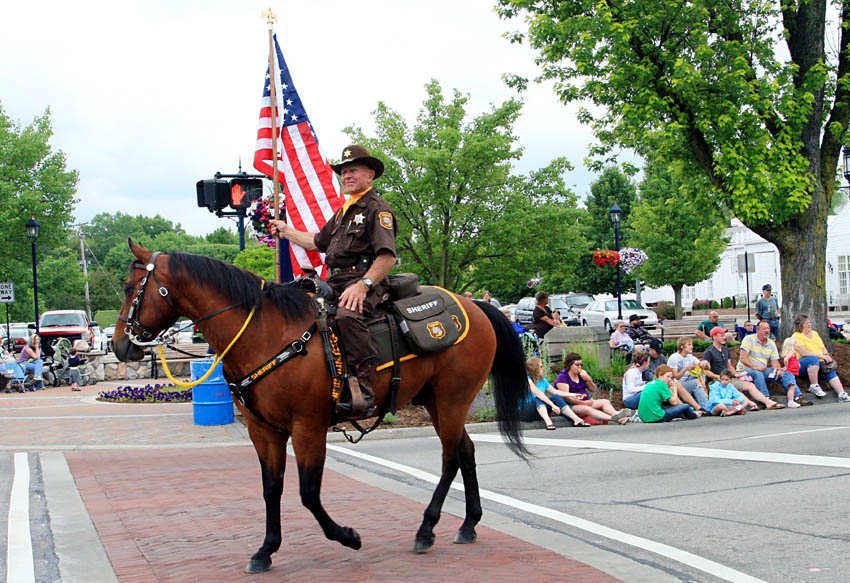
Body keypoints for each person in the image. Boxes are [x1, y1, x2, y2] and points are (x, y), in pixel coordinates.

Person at [269, 144, 397, 418]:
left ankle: (364, 388)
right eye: (343, 171)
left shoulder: (378, 209)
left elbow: (386, 258)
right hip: (335, 281)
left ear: (370, 175)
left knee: (347, 316)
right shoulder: (343, 213)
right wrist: (286, 231)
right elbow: (316, 242)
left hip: (364, 281)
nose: (347, 175)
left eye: (353, 170)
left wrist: (364, 285)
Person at [701, 326, 785, 409]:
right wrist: (718, 377)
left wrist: (737, 374)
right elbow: (706, 371)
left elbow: (729, 366)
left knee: (750, 385)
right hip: (718, 381)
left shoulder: (725, 349)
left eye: (724, 335)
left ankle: (767, 401)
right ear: (714, 337)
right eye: (721, 335)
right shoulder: (709, 352)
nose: (724, 337)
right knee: (734, 388)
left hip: (729, 378)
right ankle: (754, 404)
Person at [737, 320, 809, 408]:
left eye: (768, 328)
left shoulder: (771, 343)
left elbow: (775, 362)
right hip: (745, 371)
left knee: (785, 373)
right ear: (758, 330)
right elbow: (743, 358)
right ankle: (767, 399)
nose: (767, 331)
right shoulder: (749, 339)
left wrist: (778, 370)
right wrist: (755, 367)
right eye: (764, 329)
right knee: (757, 373)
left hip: (763, 370)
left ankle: (797, 397)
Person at [552, 353, 633, 425]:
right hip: (571, 405)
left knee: (605, 402)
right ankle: (614, 418)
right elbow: (566, 397)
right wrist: (583, 403)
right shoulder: (563, 377)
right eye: (577, 365)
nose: (580, 367)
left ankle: (616, 414)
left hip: (585, 401)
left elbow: (593, 389)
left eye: (581, 364)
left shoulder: (581, 375)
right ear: (570, 365)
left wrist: (588, 379)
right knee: (586, 409)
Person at [791, 314, 848, 401]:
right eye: (807, 323)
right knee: (812, 359)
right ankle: (814, 385)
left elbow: (822, 347)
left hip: (818, 364)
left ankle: (841, 394)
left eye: (810, 322)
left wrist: (826, 355)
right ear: (801, 324)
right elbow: (804, 352)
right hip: (802, 364)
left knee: (830, 372)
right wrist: (821, 356)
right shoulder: (796, 336)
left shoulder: (815, 334)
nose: (809, 324)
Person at [521, 357, 589, 429]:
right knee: (538, 398)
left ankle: (576, 419)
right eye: (541, 366)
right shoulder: (527, 380)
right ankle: (548, 422)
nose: (543, 368)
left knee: (556, 397)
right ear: (534, 368)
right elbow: (539, 394)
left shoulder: (543, 380)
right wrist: (552, 405)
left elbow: (555, 391)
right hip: (524, 412)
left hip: (539, 410)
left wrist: (573, 394)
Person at [667, 336, 711, 413]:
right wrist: (685, 369)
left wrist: (705, 363)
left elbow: (707, 368)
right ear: (682, 346)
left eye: (692, 344)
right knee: (697, 382)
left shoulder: (690, 357)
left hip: (688, 381)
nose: (692, 347)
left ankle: (706, 407)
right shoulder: (674, 358)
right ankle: (706, 408)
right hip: (677, 385)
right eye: (689, 345)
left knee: (701, 375)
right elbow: (675, 377)